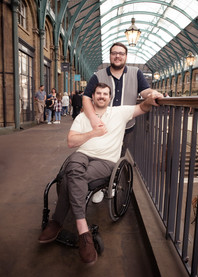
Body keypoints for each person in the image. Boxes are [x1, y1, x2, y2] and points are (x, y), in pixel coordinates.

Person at [38, 83, 162, 265]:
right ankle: (83, 231)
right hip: (82, 155)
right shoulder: (83, 117)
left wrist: (151, 98)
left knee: (69, 177)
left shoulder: (120, 112)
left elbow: (143, 107)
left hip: (106, 161)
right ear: (93, 97)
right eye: (98, 93)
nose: (102, 96)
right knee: (73, 165)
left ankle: (58, 222)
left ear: (110, 97)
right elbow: (71, 142)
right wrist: (93, 133)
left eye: (105, 94)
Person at [83, 42, 163, 203]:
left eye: (121, 53)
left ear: (126, 57)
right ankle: (98, 186)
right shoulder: (98, 75)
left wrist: (152, 93)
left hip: (126, 127)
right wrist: (92, 118)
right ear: (110, 56)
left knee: (117, 158)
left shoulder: (136, 72)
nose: (117, 56)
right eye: (114, 53)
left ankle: (108, 186)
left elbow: (144, 91)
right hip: (102, 127)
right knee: (99, 157)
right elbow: (86, 96)